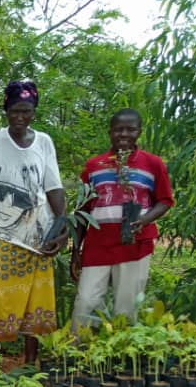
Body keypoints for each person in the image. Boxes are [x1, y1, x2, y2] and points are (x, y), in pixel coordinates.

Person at [0, 81, 67, 363]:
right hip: (2, 235)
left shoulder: (44, 142)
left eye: (26, 111)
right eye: (14, 111)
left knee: (37, 303)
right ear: (6, 110)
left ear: (34, 111)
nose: (20, 117)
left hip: (39, 236)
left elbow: (53, 188)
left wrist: (62, 225)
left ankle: (30, 364)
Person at [71, 108, 174, 328]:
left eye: (130, 129)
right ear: (110, 132)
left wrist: (145, 220)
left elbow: (165, 200)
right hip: (97, 245)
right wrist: (75, 250)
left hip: (134, 244)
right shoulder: (94, 166)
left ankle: (120, 348)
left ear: (139, 132)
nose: (124, 134)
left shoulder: (153, 164)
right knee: (85, 303)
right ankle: (79, 347)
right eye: (118, 129)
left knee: (125, 309)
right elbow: (82, 210)